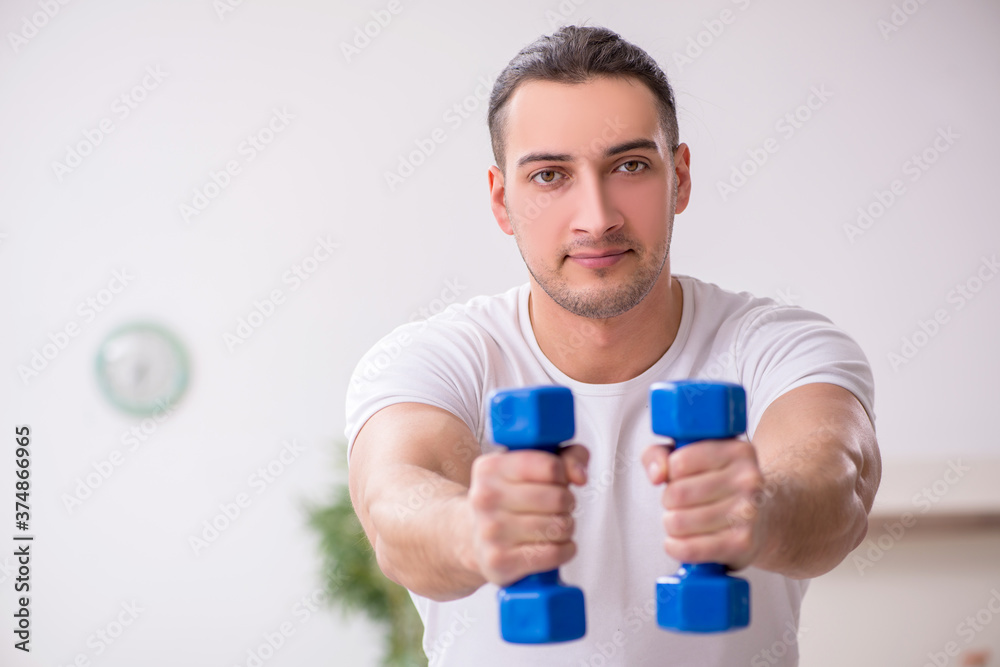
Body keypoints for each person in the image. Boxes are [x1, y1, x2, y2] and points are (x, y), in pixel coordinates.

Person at [345, 25, 881, 666]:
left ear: (679, 178)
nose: (596, 217)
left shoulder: (782, 347)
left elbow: (837, 484)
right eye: (549, 175)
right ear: (501, 200)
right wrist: (472, 529)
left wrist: (762, 508)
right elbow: (394, 504)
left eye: (629, 166)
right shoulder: (434, 360)